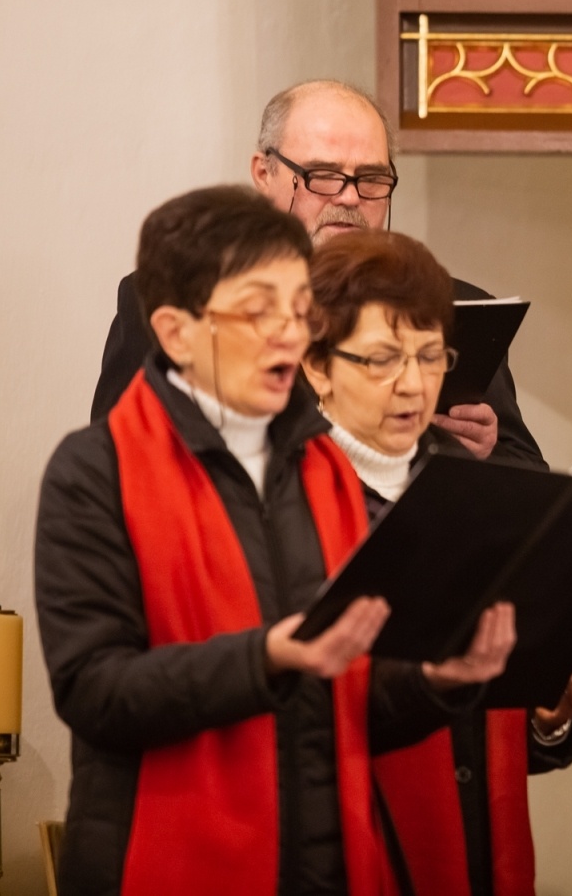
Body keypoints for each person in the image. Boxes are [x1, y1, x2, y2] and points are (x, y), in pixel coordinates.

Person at [36, 186, 515, 896]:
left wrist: (433, 685)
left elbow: (342, 703)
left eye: (298, 312)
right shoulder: (96, 469)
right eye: (259, 312)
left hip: (326, 862)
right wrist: (264, 659)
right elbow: (94, 691)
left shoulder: (317, 462)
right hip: (168, 860)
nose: (289, 336)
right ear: (175, 331)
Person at [302, 229, 572, 896]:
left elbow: (490, 742)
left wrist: (549, 715)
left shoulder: (481, 499)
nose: (414, 385)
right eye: (383, 359)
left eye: (430, 356)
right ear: (316, 367)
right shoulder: (282, 506)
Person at [88, 80, 545, 467]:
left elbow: (529, 479)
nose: (349, 198)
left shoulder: (450, 307)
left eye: (371, 179)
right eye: (322, 175)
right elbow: (119, 472)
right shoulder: (176, 300)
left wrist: (478, 455)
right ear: (263, 174)